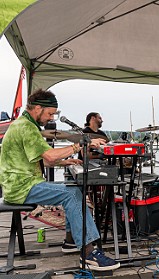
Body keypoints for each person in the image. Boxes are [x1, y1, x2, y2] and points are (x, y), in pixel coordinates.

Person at [0, 89, 120, 271]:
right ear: (38, 108)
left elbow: (36, 160)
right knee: (71, 194)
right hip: (21, 188)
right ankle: (88, 254)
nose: (51, 118)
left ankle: (71, 241)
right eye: (50, 114)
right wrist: (80, 145)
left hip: (21, 184)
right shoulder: (25, 127)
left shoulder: (23, 125)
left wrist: (65, 162)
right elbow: (48, 156)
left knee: (73, 190)